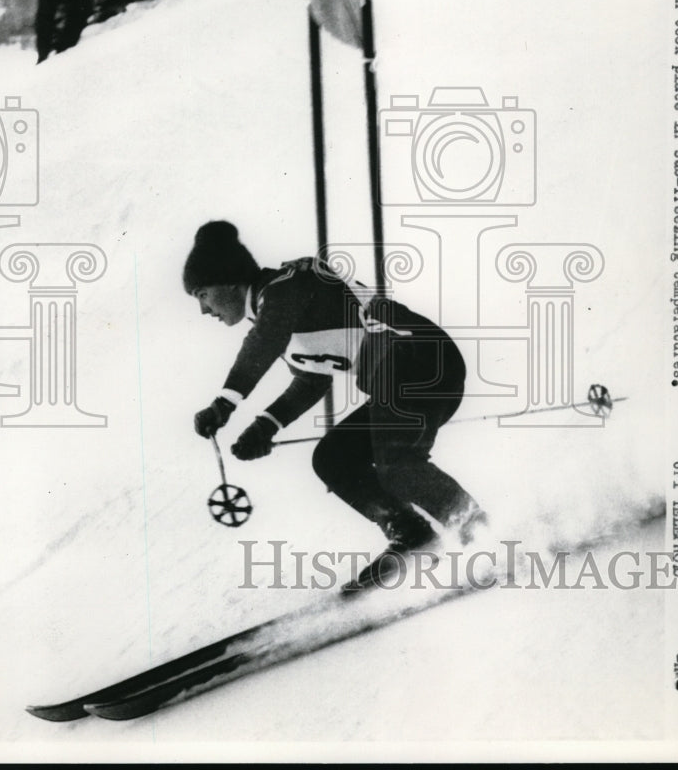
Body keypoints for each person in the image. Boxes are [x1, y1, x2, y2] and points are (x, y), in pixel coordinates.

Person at [183, 221, 487, 589]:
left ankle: (481, 536)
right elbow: (311, 380)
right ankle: (413, 536)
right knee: (333, 457)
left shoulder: (283, 289)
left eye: (202, 294)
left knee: (398, 466)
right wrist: (266, 425)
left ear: (228, 281)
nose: (203, 310)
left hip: (420, 360)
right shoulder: (273, 311)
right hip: (399, 376)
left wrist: (224, 404)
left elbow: (263, 342)